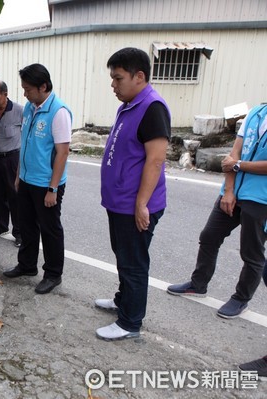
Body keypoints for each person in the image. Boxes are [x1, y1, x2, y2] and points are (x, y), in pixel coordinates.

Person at [95, 47, 171, 341]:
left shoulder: (152, 107)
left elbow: (155, 160)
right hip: (120, 203)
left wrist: (141, 204)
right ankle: (122, 301)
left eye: (118, 78)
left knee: (134, 262)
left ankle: (130, 323)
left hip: (135, 206)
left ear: (139, 76)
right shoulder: (129, 104)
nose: (113, 85)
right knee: (123, 256)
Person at [167, 103, 267, 318]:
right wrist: (229, 190)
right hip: (232, 191)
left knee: (252, 253)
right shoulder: (256, 114)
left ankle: (241, 299)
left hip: (261, 199)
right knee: (209, 236)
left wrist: (238, 165)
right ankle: (198, 284)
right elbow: (232, 155)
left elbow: (235, 162)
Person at [2, 63, 72, 295]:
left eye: (28, 89)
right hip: (27, 180)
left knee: (50, 229)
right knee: (26, 225)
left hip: (46, 184)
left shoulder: (59, 112)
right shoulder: (30, 108)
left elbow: (62, 152)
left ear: (43, 86)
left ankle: (53, 274)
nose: (25, 93)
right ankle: (27, 265)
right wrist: (19, 175)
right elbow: (26, 145)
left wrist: (53, 188)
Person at [0, 81, 24, 247]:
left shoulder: (19, 111)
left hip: (12, 159)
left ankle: (19, 232)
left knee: (15, 197)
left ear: (5, 94)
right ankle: (1, 225)